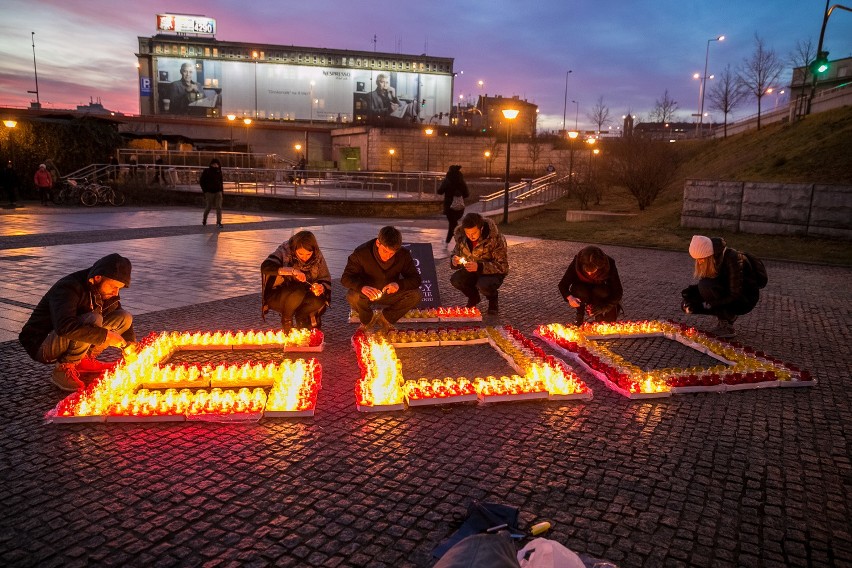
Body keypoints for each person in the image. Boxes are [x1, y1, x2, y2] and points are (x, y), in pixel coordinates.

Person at [18, 253, 135, 392]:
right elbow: (64, 327)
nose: (116, 293)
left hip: (68, 335)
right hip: (43, 343)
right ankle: (64, 367)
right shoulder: (69, 287)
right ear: (98, 278)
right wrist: (106, 336)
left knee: (124, 317)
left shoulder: (104, 290)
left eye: (119, 288)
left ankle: (84, 359)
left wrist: (130, 343)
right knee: (93, 319)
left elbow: (117, 311)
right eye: (113, 287)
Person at [342, 225, 422, 332]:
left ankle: (385, 318)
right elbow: (346, 278)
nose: (387, 256)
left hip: (389, 293)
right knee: (352, 296)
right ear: (378, 243)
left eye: (392, 253)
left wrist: (398, 285)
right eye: (385, 251)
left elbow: (416, 279)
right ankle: (367, 320)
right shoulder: (361, 253)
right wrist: (362, 287)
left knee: (416, 295)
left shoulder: (403, 254)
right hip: (366, 294)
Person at [681, 235, 759, 339]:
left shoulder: (733, 258)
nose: (699, 262)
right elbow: (717, 283)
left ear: (708, 255)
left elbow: (735, 293)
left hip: (745, 298)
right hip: (730, 292)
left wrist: (710, 304)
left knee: (706, 286)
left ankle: (727, 323)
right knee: (689, 304)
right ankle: (725, 317)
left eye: (701, 259)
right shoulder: (714, 258)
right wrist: (692, 293)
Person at [261, 230, 331, 331]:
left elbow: (324, 278)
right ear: (295, 249)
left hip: (304, 294)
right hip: (281, 294)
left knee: (317, 300)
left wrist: (321, 287)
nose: (305, 258)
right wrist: (291, 271)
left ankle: (302, 319)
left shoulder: (317, 256)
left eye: (308, 254)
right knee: (298, 291)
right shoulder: (285, 251)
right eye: (300, 254)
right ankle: (287, 321)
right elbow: (266, 267)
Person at [450, 213, 509, 315]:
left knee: (483, 285)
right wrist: (454, 261)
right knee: (456, 280)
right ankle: (474, 298)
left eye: (473, 233)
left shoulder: (495, 239)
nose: (470, 236)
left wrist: (480, 266)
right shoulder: (462, 238)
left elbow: (503, 266)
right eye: (467, 233)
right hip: (471, 271)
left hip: (492, 274)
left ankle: (493, 299)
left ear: (481, 228)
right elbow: (455, 254)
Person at [558, 246, 623, 326]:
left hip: (600, 294)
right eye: (586, 271)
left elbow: (618, 291)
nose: (589, 274)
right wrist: (570, 298)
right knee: (579, 289)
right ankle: (579, 316)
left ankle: (599, 315)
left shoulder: (609, 264)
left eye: (593, 271)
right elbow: (563, 284)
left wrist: (604, 307)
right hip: (583, 292)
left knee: (601, 292)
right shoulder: (577, 263)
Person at [437, 165, 469, 247]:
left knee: (453, 224)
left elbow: (440, 191)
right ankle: (449, 242)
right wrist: (459, 194)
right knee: (453, 224)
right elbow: (467, 194)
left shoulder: (447, 181)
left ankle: (461, 240)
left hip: (450, 206)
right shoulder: (461, 182)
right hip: (460, 207)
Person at [200, 158, 224, 228]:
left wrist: (222, 192)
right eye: (214, 164)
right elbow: (201, 181)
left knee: (219, 207)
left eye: (217, 164)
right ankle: (204, 219)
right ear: (211, 164)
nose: (215, 165)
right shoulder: (207, 171)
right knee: (209, 207)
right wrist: (205, 191)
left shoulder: (219, 172)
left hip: (218, 192)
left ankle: (219, 222)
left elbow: (221, 182)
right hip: (209, 192)